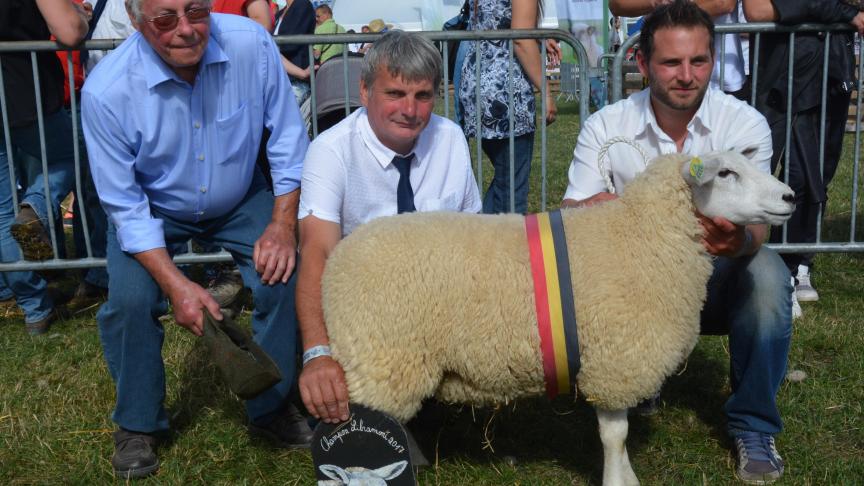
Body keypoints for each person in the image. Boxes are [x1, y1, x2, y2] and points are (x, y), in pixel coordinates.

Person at [561, 2, 791, 483]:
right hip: (632, 291)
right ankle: (637, 377)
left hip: (714, 272)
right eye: (670, 63)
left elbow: (759, 228)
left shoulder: (742, 125)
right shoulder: (607, 126)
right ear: (643, 64)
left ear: (713, 59)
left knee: (769, 275)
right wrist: (619, 213)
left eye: (699, 61)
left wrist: (738, 242)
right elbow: (572, 213)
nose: (686, 76)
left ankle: (752, 424)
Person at [81, 1, 310, 478]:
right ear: (137, 19)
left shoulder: (251, 44)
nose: (186, 30)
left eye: (196, 10)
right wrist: (176, 285)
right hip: (152, 208)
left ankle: (270, 403)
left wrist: (283, 225)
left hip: (239, 195)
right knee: (128, 299)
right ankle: (137, 424)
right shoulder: (107, 91)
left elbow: (287, 139)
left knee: (286, 274)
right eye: (165, 19)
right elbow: (124, 204)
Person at [295, 30, 482, 424]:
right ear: (364, 92)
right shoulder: (329, 151)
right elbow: (317, 250)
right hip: (365, 310)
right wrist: (317, 354)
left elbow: (473, 239)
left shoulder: (450, 139)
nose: (410, 110)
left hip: (441, 300)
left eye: (423, 96)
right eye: (395, 94)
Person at [743, 0, 864, 306]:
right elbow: (759, 10)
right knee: (755, 171)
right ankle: (739, 258)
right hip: (777, 75)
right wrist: (844, 12)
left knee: (814, 174)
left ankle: (795, 264)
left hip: (830, 71)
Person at [0, 0, 89, 334]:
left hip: (20, 88)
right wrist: (79, 15)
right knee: (72, 155)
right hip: (23, 88)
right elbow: (69, 31)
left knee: (1, 208)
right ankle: (36, 206)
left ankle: (34, 309)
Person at [458, 0, 557, 215]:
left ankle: (482, 234)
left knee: (507, 180)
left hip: (476, 84)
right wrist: (546, 91)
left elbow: (498, 23)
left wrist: (537, 36)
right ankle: (495, 241)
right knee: (512, 189)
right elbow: (521, 40)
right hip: (505, 90)